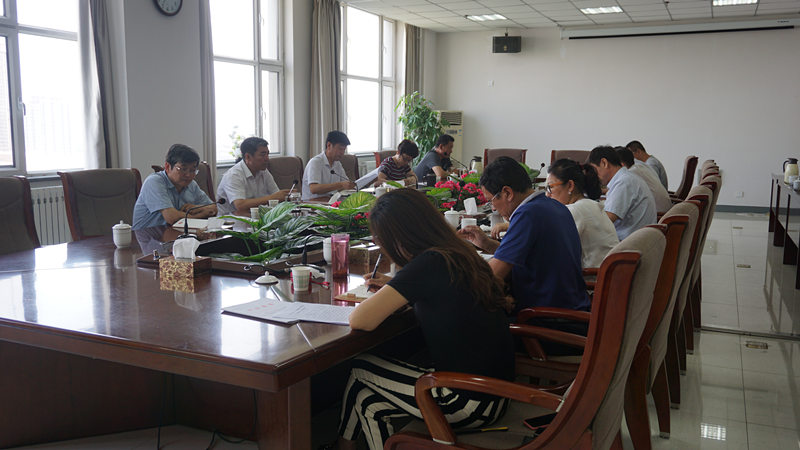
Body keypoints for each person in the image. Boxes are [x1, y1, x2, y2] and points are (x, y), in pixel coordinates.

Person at [337, 189, 513, 450]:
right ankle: (342, 446)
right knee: (368, 401)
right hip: (496, 392)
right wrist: (395, 286)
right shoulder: (456, 252)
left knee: (361, 369)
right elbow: (440, 291)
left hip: (468, 400)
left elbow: (360, 320)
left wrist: (396, 286)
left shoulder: (428, 263)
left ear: (399, 237)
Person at [458, 157, 589, 315]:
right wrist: (486, 243)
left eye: (491, 201)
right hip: (572, 306)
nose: (493, 208)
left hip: (548, 316)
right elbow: (528, 255)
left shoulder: (527, 214)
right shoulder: (553, 205)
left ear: (507, 193)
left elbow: (493, 275)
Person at [545, 159, 619, 268]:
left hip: (592, 276)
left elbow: (552, 248)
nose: (547, 195)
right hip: (607, 273)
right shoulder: (589, 205)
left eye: (550, 187)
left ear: (570, 185)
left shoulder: (575, 210)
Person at [133, 144, 217, 230]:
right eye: (183, 169)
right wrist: (202, 214)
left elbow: (214, 208)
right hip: (149, 236)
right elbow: (171, 218)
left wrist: (198, 208)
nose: (188, 175)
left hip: (178, 234)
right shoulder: (154, 181)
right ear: (167, 167)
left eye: (192, 170)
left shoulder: (191, 184)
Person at [588, 145, 657, 240]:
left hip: (630, 243)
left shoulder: (624, 182)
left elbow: (606, 221)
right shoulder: (626, 178)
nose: (594, 175)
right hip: (635, 238)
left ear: (604, 163)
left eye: (594, 169)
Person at [215, 137, 290, 215]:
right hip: (230, 220)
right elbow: (240, 205)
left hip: (255, 216)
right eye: (263, 155)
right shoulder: (233, 175)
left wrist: (286, 196)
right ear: (248, 157)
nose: (267, 159)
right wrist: (272, 198)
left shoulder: (263, 171)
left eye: (268, 154)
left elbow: (277, 195)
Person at [616, 146, 672, 214]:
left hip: (658, 214)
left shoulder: (631, 174)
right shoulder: (640, 166)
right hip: (665, 209)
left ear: (621, 164)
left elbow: (619, 195)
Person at [301, 130, 356, 200]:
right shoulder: (316, 162)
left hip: (330, 201)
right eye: (340, 149)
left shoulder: (337, 164)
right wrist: (340, 185)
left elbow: (345, 183)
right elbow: (313, 188)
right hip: (312, 203)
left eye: (344, 150)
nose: (342, 153)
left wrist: (351, 185)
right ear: (329, 145)